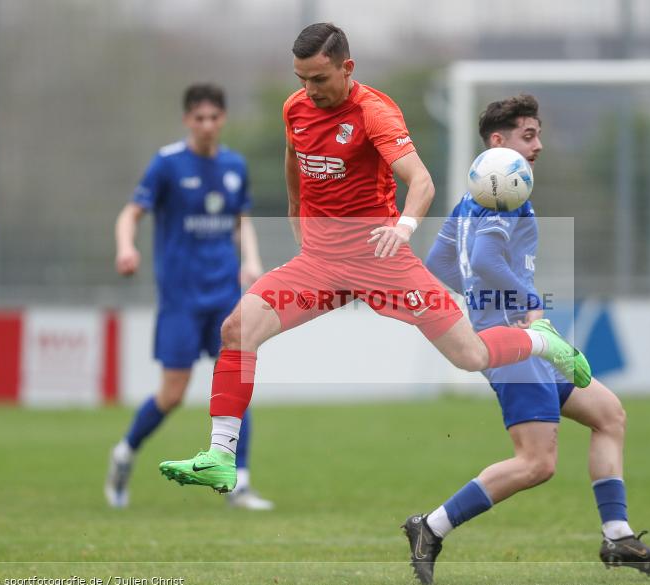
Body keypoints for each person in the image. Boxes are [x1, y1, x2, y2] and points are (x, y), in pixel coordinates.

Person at [157, 24, 589, 500]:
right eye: (301, 78)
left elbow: (420, 181)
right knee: (237, 328)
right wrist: (296, 218)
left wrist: (401, 229)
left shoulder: (374, 112)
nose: (309, 90)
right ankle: (221, 457)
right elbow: (294, 161)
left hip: (381, 261)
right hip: (320, 264)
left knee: (471, 355)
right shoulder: (295, 107)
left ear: (347, 68)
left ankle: (540, 341)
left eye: (319, 79)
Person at [405, 94, 650, 585]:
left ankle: (617, 536)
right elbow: (487, 262)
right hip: (516, 345)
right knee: (536, 463)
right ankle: (431, 526)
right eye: (528, 136)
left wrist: (485, 305)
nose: (539, 146)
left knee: (608, 415)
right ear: (498, 142)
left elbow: (439, 266)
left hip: (526, 341)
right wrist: (527, 303)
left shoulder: (473, 197)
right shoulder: (503, 195)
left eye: (537, 134)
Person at [105, 83, 273, 510]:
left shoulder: (235, 164)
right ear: (187, 121)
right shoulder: (167, 165)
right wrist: (126, 246)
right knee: (173, 394)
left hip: (224, 296)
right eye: (199, 118)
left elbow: (242, 220)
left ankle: (240, 483)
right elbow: (131, 212)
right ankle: (125, 452)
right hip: (180, 298)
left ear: (223, 120)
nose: (207, 125)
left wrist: (250, 259)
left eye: (214, 117)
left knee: (235, 380)